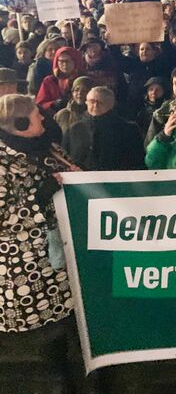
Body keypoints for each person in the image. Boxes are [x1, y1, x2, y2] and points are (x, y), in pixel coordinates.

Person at [0, 95, 83, 390]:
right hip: (30, 263)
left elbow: (68, 171)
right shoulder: (3, 163)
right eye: (37, 116)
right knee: (50, 323)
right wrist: (39, 197)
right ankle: (57, 376)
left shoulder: (44, 146)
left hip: (62, 250)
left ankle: (77, 367)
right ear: (20, 125)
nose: (44, 119)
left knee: (69, 314)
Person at [62, 86, 145, 171]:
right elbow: (64, 160)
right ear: (86, 102)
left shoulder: (129, 130)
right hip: (80, 181)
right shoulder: (73, 129)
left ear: (111, 104)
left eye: (101, 102)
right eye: (92, 101)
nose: (95, 105)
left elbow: (137, 163)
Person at [35, 47, 85, 112]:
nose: (64, 64)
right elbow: (40, 104)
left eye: (68, 61)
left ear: (76, 61)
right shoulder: (50, 81)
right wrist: (54, 104)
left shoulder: (84, 79)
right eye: (61, 61)